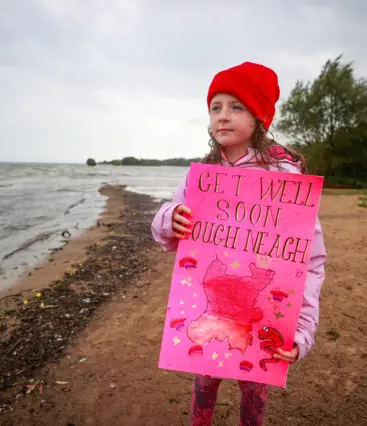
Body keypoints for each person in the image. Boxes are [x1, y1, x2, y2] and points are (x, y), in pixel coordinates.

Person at [150, 62, 327, 426]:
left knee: (254, 384)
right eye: (216, 107)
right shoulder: (202, 174)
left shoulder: (285, 179)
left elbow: (308, 260)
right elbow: (164, 227)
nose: (222, 116)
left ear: (260, 117)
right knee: (205, 374)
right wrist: (171, 219)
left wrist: (303, 329)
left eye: (236, 106)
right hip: (211, 298)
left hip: (258, 309)